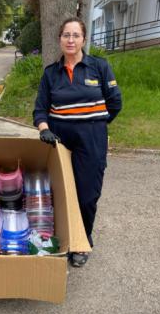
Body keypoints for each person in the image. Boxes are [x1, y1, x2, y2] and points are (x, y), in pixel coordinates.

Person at [33, 17, 122, 268]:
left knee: (86, 195)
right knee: (57, 194)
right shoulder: (51, 73)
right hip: (58, 141)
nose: (70, 40)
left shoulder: (99, 67)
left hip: (91, 140)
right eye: (66, 35)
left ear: (83, 39)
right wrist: (44, 129)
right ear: (59, 39)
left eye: (75, 35)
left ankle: (82, 242)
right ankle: (61, 239)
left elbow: (115, 103)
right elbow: (40, 109)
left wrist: (97, 125)